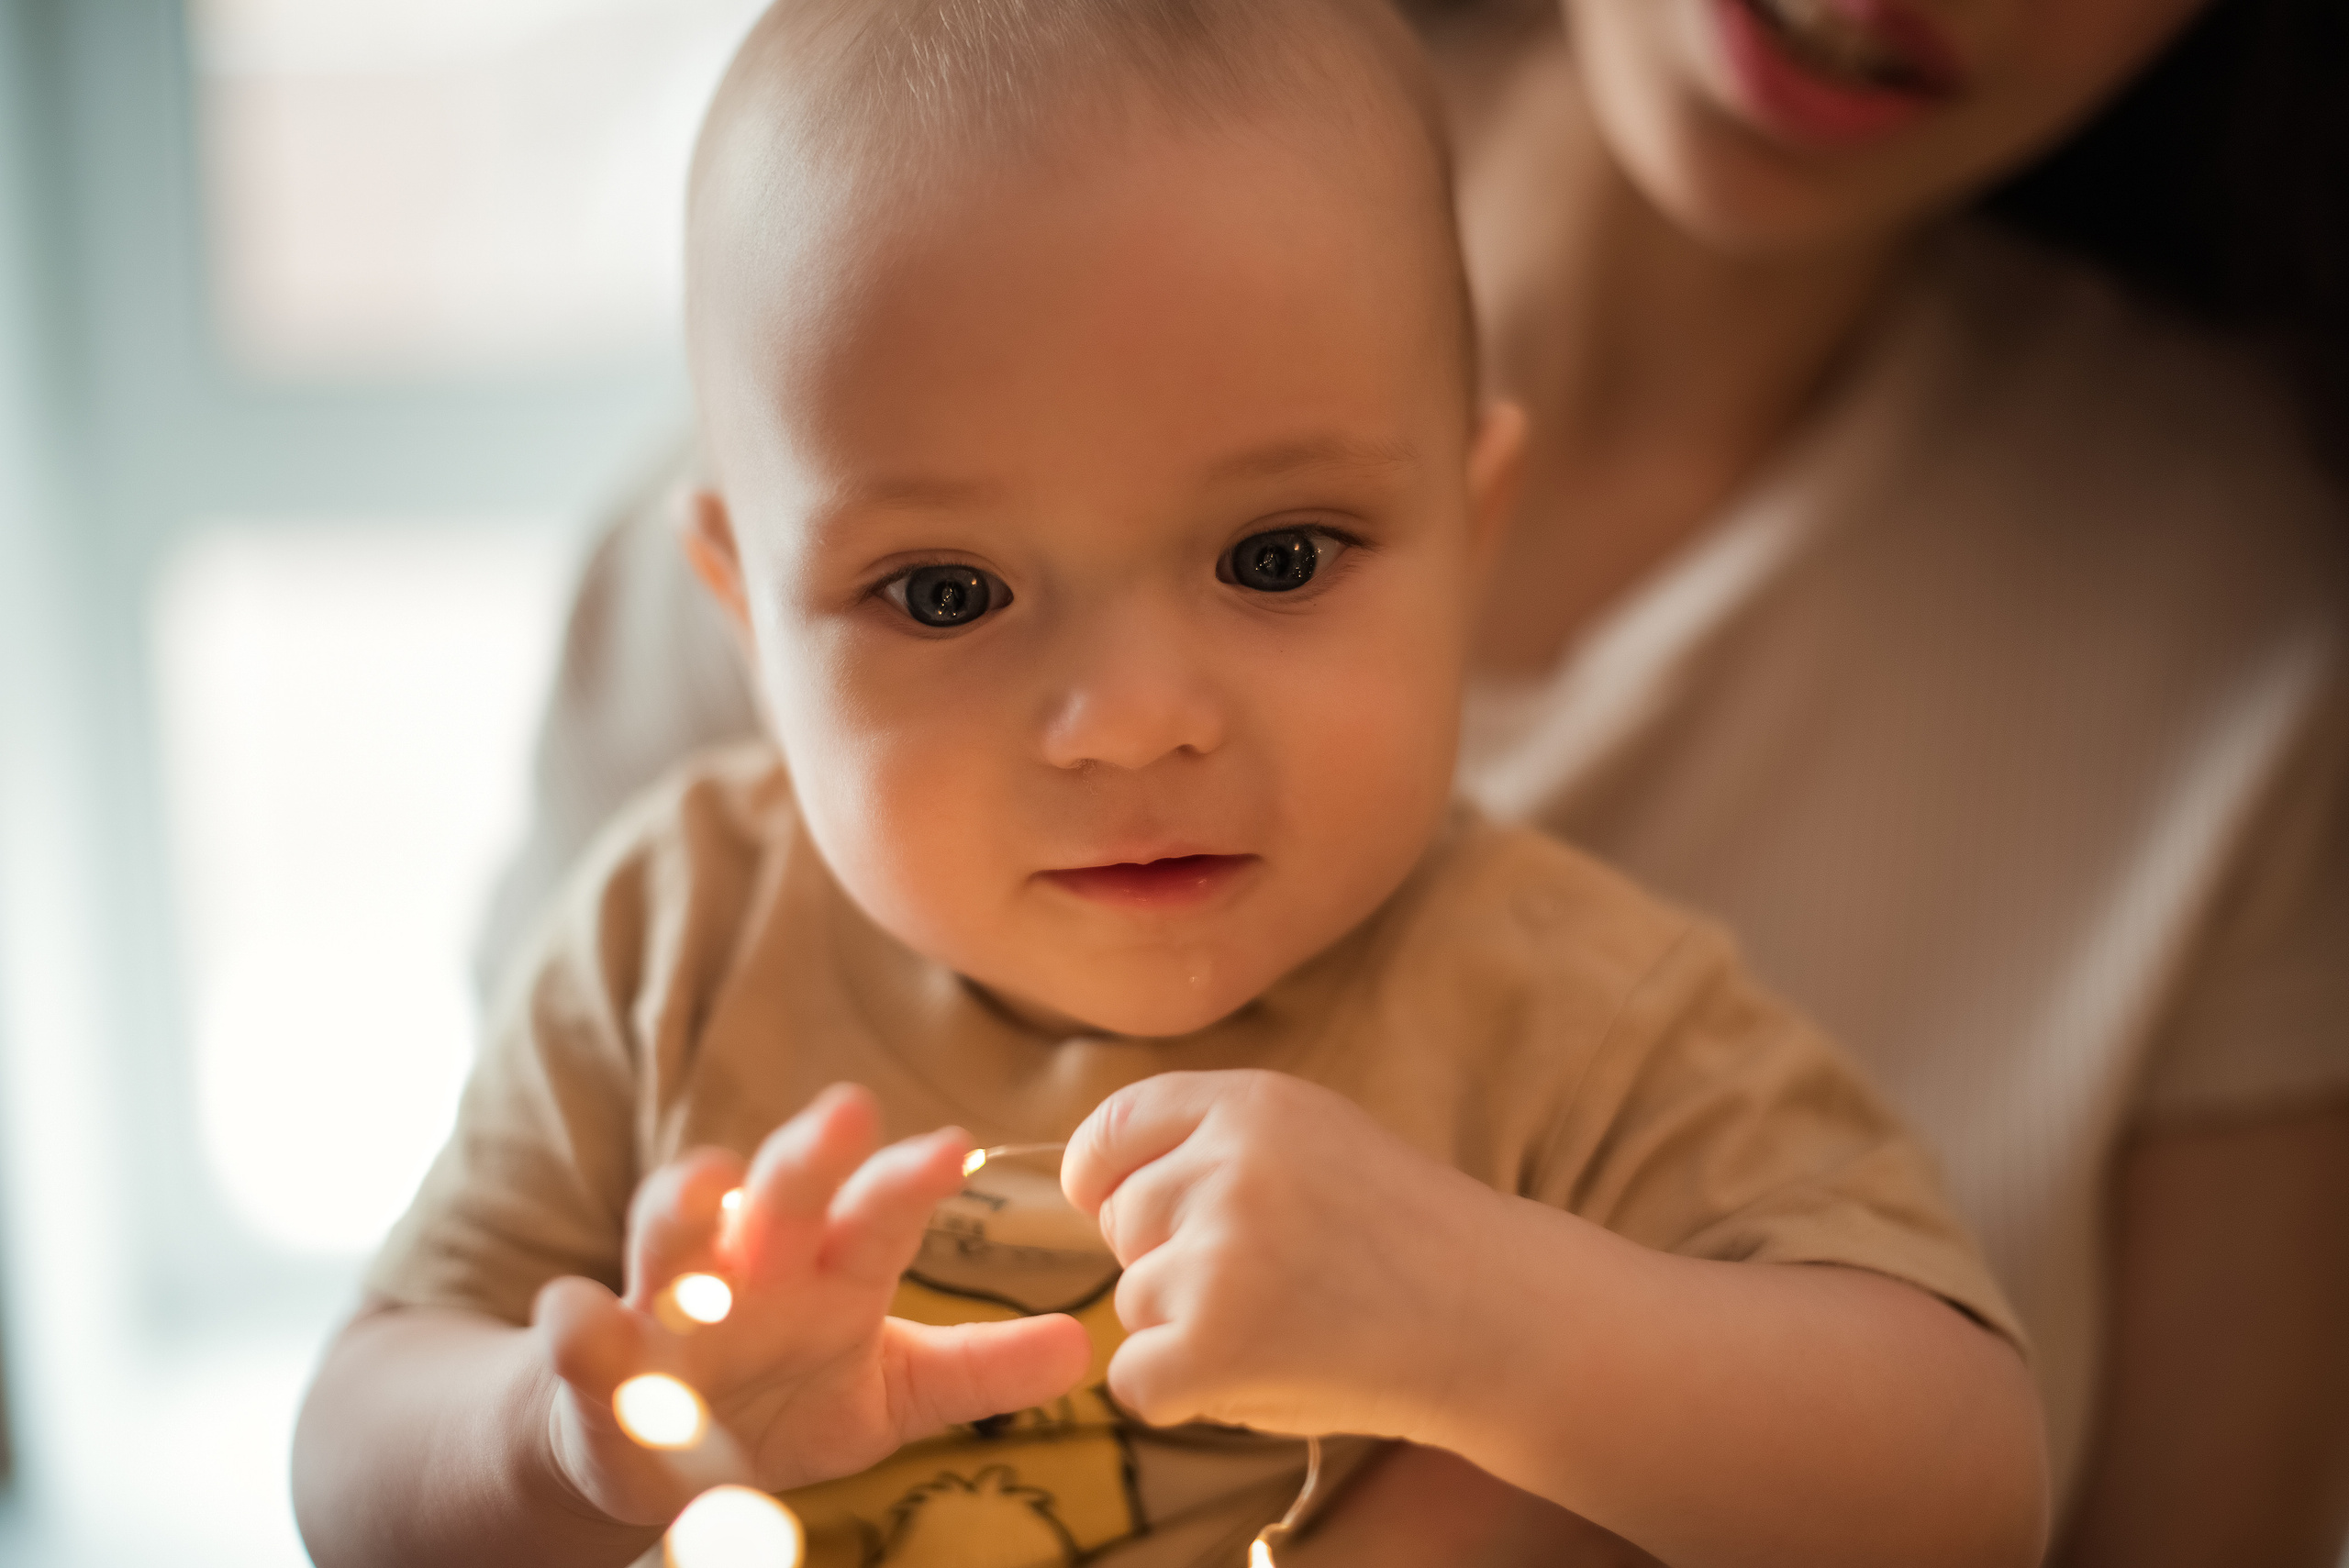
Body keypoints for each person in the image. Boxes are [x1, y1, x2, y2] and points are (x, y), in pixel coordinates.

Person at [472, 0, 2349, 1560]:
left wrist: (1493, 1328)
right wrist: (568, 1440)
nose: (1131, 725)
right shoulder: (671, 935)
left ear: (1474, 524)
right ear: (741, 610)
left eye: (1278, 558)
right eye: (947, 597)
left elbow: (1968, 1483)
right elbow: (394, 1416)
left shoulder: (1568, 1007)